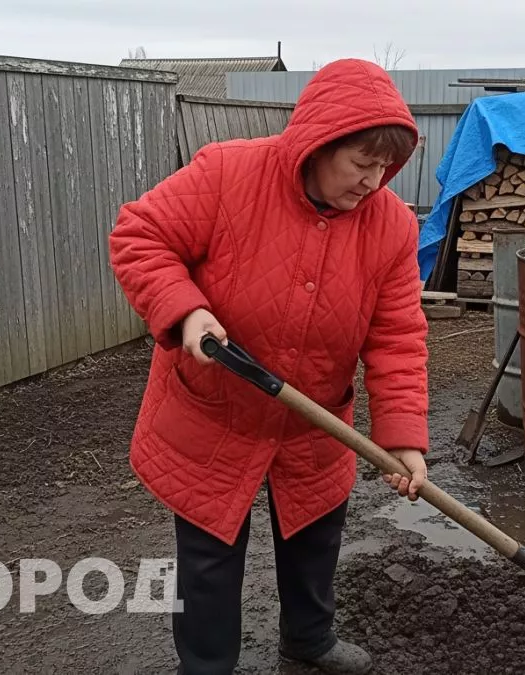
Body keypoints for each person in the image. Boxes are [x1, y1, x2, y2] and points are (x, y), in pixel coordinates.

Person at [108, 58, 430, 675]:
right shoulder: (229, 173)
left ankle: (308, 641)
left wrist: (404, 438)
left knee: (314, 539)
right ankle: (205, 666)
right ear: (319, 144)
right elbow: (139, 234)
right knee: (207, 559)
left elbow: (397, 337)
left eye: (385, 168)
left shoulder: (389, 225)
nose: (374, 181)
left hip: (313, 419)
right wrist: (186, 312)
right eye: (362, 163)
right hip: (215, 408)